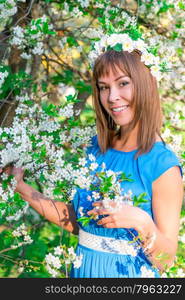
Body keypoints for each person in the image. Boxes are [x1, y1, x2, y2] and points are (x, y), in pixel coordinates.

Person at [1, 40, 183, 278]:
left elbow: (166, 261)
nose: (112, 97)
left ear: (146, 85)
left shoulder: (162, 164)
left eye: (123, 84)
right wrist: (21, 187)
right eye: (104, 87)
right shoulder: (95, 149)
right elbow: (79, 223)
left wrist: (142, 221)